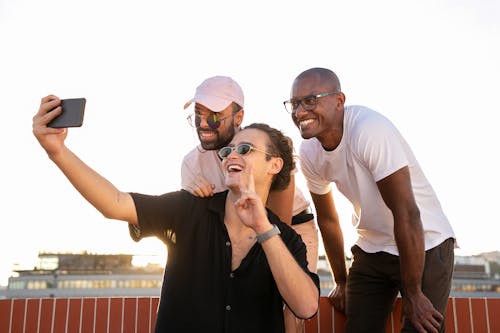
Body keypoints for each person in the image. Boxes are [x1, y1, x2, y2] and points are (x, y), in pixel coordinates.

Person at [32, 96, 320, 333]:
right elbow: (115, 203)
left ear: (274, 165)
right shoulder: (187, 209)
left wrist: (263, 228)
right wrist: (57, 151)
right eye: (227, 151)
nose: (231, 155)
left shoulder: (288, 240)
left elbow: (306, 307)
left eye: (245, 149)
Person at [284, 68, 456, 333]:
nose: (300, 112)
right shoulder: (309, 152)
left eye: (310, 100)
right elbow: (328, 220)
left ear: (339, 101)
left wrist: (413, 293)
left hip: (425, 242)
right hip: (373, 248)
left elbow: (407, 213)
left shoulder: (368, 129)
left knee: (421, 327)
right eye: (295, 103)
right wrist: (341, 280)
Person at [181, 76, 319, 333]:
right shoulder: (191, 164)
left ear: (238, 116)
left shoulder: (265, 146)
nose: (203, 123)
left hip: (290, 225)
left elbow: (279, 225)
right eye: (198, 115)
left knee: (288, 306)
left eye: (213, 116)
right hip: (236, 232)